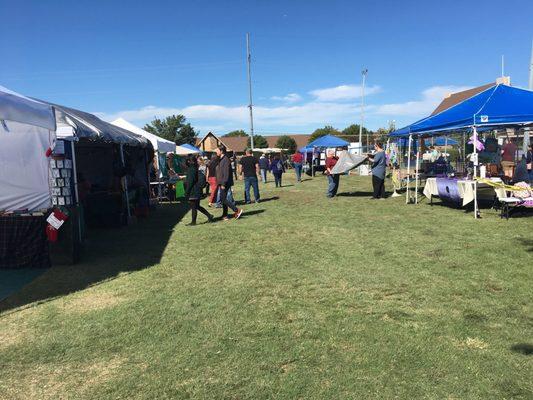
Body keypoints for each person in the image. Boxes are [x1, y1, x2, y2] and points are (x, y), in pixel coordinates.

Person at [215, 146, 243, 221]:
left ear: (221, 151)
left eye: (217, 151)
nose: (216, 152)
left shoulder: (225, 160)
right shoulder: (221, 159)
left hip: (225, 182)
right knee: (223, 199)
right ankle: (225, 215)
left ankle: (237, 210)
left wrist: (223, 184)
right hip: (222, 182)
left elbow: (226, 173)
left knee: (222, 199)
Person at [184, 155, 213, 225]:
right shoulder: (194, 168)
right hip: (197, 190)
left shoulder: (191, 169)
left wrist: (186, 192)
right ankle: (209, 215)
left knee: (194, 206)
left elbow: (191, 182)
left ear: (189, 161)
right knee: (197, 206)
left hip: (194, 190)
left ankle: (193, 222)